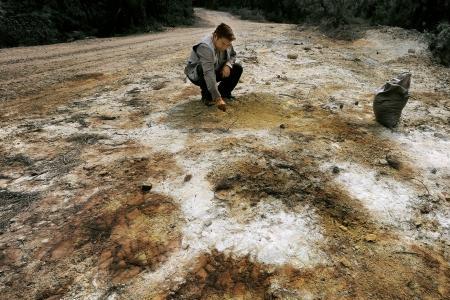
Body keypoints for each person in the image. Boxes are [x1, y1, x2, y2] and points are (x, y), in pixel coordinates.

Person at [184, 23, 243, 112]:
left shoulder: (227, 42)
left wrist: (228, 65)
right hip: (198, 74)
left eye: (228, 44)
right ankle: (207, 97)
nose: (225, 47)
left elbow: (233, 55)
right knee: (203, 69)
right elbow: (208, 73)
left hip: (216, 69)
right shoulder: (205, 47)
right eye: (223, 43)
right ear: (215, 36)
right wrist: (217, 98)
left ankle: (224, 94)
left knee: (237, 68)